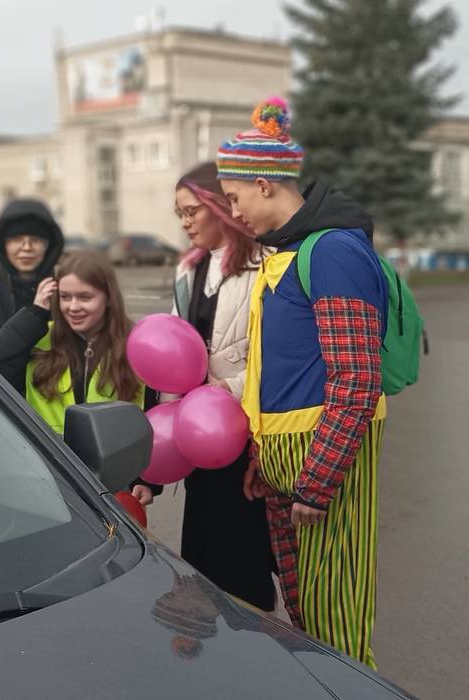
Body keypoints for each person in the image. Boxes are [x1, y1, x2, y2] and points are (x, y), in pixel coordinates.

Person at [217, 97, 387, 668]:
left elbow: (356, 379)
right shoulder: (284, 255)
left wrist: (317, 482)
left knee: (337, 635)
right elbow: (282, 372)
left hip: (325, 475)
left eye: (235, 198)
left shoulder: (332, 251)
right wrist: (265, 458)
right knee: (308, 626)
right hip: (289, 470)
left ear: (264, 184)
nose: (232, 212)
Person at [169, 162, 275, 612]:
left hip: (240, 431)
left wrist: (218, 391)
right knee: (201, 548)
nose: (186, 222)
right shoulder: (187, 271)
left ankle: (251, 644)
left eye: (193, 210)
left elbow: (272, 357)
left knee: (242, 554)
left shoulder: (263, 267)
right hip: (195, 437)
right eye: (179, 214)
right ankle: (204, 637)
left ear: (220, 207)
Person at [0, 251, 157, 505]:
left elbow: (153, 417)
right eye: (65, 297)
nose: (73, 307)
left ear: (108, 298)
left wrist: (146, 480)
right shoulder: (40, 339)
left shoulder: (136, 345)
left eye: (85, 297)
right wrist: (35, 314)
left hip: (115, 486)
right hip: (50, 475)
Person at [0, 198, 64, 352]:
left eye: (35, 240)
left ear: (49, 246)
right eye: (16, 239)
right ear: (2, 245)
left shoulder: (68, 294)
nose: (26, 247)